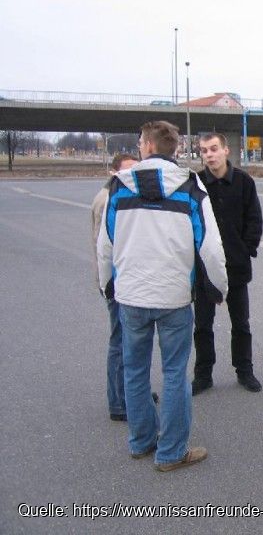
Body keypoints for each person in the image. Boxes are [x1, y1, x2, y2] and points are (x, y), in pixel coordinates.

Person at [97, 121, 227, 471]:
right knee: (173, 374)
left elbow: (105, 243)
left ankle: (141, 441)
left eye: (141, 142)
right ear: (174, 147)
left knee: (135, 370)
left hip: (131, 296)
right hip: (173, 296)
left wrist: (107, 283)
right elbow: (210, 246)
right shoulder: (190, 185)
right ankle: (170, 452)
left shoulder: (119, 186)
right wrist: (219, 287)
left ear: (150, 146)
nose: (139, 147)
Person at [192, 132, 263, 395]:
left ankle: (245, 371)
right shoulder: (196, 183)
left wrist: (246, 250)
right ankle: (203, 375)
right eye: (204, 150)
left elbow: (254, 219)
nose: (209, 155)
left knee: (241, 324)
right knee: (202, 325)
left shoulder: (244, 182)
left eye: (213, 149)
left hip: (236, 267)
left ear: (226, 151)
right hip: (204, 269)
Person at [91, 152, 138, 421]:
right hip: (116, 283)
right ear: (114, 172)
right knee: (120, 342)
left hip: (126, 281)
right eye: (127, 170)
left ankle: (132, 393)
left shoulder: (123, 194)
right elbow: (104, 247)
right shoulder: (107, 199)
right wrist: (108, 283)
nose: (132, 174)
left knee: (132, 342)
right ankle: (119, 402)